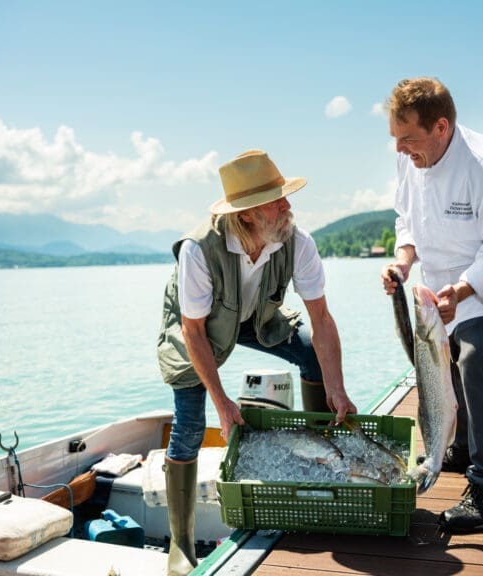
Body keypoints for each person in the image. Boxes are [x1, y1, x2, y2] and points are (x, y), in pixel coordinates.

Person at [157, 148, 357, 575]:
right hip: (200, 331)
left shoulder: (296, 241)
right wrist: (223, 401)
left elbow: (321, 318)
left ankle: (322, 472)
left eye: (285, 195)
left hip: (256, 318)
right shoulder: (198, 250)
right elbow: (194, 333)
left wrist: (336, 386)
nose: (288, 205)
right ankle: (180, 542)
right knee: (190, 425)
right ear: (246, 214)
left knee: (311, 354)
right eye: (276, 199)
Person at [381, 77, 483, 533]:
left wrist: (462, 291)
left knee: (475, 358)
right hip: (442, 282)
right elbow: (406, 220)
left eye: (408, 139)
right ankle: (464, 448)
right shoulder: (411, 160)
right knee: (446, 357)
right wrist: (402, 264)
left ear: (441, 126)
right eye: (395, 139)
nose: (400, 150)